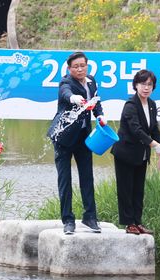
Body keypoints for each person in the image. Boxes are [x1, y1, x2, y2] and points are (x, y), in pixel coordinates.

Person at [46, 52, 106, 235]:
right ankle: (68, 220)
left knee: (87, 177)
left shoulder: (91, 80)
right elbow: (66, 95)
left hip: (83, 136)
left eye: (83, 65)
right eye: (76, 66)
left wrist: (100, 115)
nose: (80, 69)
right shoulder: (65, 82)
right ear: (69, 69)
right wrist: (74, 99)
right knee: (65, 180)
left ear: (87, 66)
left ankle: (90, 217)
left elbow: (95, 101)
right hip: (63, 137)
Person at [111, 69, 160, 235]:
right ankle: (129, 223)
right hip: (125, 153)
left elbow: (154, 130)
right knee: (125, 189)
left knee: (138, 190)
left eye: (150, 84)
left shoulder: (151, 105)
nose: (146, 87)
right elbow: (136, 130)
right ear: (136, 85)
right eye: (143, 84)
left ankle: (138, 222)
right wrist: (154, 145)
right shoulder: (130, 105)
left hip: (141, 155)